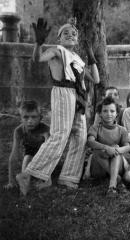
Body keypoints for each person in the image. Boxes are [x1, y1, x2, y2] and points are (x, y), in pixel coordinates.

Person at [16, 18, 100, 195]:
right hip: (63, 92)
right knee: (60, 134)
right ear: (59, 39)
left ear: (77, 40)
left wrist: (91, 55)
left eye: (74, 33)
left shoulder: (77, 59)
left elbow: (96, 79)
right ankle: (29, 174)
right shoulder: (56, 51)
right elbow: (38, 58)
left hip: (79, 97)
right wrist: (39, 43)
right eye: (66, 33)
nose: (71, 35)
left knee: (80, 136)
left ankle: (68, 177)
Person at [86, 97, 130, 195]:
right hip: (99, 168)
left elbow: (128, 147)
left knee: (116, 147)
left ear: (117, 113)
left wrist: (116, 149)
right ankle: (116, 178)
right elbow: (90, 142)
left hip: (117, 166)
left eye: (112, 111)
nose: (109, 114)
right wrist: (106, 148)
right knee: (97, 149)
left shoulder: (121, 130)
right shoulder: (95, 128)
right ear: (100, 114)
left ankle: (112, 186)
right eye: (105, 111)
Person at [4, 100, 50, 190]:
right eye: (26, 117)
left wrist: (46, 136)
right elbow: (14, 156)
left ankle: (47, 181)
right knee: (27, 157)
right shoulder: (19, 131)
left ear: (40, 118)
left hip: (44, 158)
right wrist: (11, 181)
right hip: (29, 155)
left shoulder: (45, 129)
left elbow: (50, 152)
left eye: (34, 117)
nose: (30, 121)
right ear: (21, 118)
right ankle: (25, 180)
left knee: (44, 154)